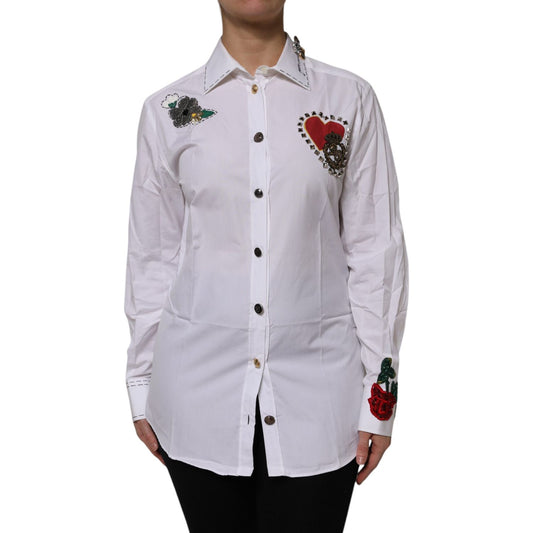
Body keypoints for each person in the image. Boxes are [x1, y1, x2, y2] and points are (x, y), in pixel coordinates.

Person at [124, 1, 409, 532]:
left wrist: (381, 396)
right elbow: (152, 258)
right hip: (196, 401)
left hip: (321, 402)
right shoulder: (168, 111)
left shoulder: (348, 99)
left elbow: (376, 253)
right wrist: (141, 383)